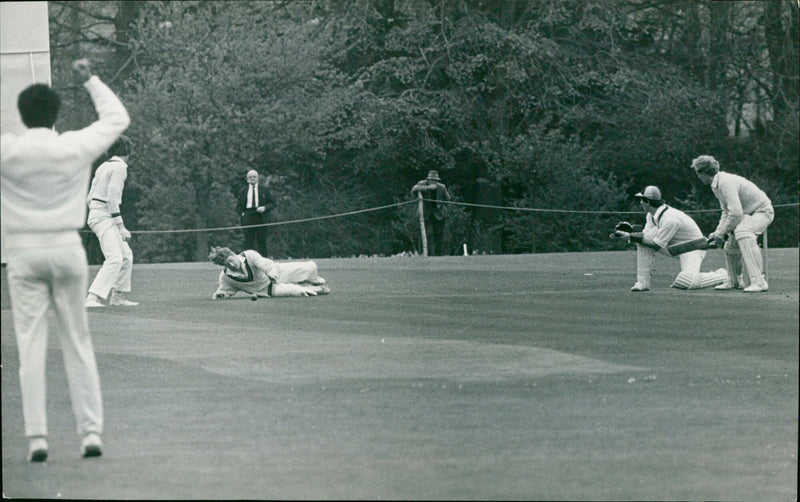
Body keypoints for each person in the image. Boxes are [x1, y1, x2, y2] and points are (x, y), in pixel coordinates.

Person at [0, 58, 129, 462]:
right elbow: (116, 117)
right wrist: (89, 79)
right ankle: (91, 434)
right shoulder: (73, 144)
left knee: (30, 346)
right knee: (78, 342)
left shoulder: (9, 149)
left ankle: (37, 438)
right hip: (65, 247)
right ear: (56, 114)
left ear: (21, 115)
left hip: (23, 251)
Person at [614, 186, 727, 292]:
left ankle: (723, 275)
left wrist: (630, 236)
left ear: (648, 202)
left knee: (688, 281)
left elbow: (656, 245)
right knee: (642, 240)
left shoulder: (670, 218)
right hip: (674, 248)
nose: (640, 203)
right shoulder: (651, 215)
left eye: (642, 200)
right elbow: (647, 236)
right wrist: (631, 232)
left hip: (693, 250)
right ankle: (642, 283)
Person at [691, 155, 773, 292]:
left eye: (698, 174)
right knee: (730, 248)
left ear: (704, 172)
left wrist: (721, 233)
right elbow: (726, 211)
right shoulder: (716, 185)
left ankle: (759, 282)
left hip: (762, 211)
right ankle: (734, 281)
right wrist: (718, 232)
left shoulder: (725, 182)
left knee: (743, 232)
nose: (698, 178)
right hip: (747, 214)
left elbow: (736, 213)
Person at [84, 135, 137, 307]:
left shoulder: (103, 166)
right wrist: (121, 226)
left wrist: (97, 212)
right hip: (103, 216)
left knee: (126, 256)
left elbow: (90, 197)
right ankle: (92, 298)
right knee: (114, 258)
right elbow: (112, 198)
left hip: (99, 213)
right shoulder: (119, 167)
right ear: (127, 150)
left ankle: (118, 297)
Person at [208, 246, 329, 299]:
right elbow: (224, 290)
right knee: (298, 291)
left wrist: (272, 274)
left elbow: (265, 264)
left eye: (230, 261)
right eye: (226, 264)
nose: (231, 265)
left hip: (277, 272)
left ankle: (315, 281)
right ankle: (317, 289)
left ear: (233, 254)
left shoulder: (249, 255)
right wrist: (220, 295)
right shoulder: (226, 277)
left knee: (309, 268)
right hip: (269, 290)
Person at [411, 170, 451, 256]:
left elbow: (447, 199)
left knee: (439, 235)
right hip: (426, 214)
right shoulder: (422, 184)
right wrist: (428, 188)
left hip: (439, 214)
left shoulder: (442, 187)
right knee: (427, 235)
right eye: (431, 180)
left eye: (435, 180)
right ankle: (427, 254)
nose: (433, 182)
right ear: (428, 180)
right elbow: (414, 189)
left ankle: (438, 255)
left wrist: (444, 209)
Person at [236, 170, 274, 257]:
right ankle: (248, 262)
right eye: (250, 177)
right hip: (248, 216)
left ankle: (264, 262)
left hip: (261, 216)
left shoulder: (264, 189)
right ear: (247, 179)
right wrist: (242, 214)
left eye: (254, 177)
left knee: (262, 241)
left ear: (257, 178)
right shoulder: (243, 191)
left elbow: (272, 203)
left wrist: (264, 208)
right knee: (248, 242)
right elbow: (238, 206)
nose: (252, 178)